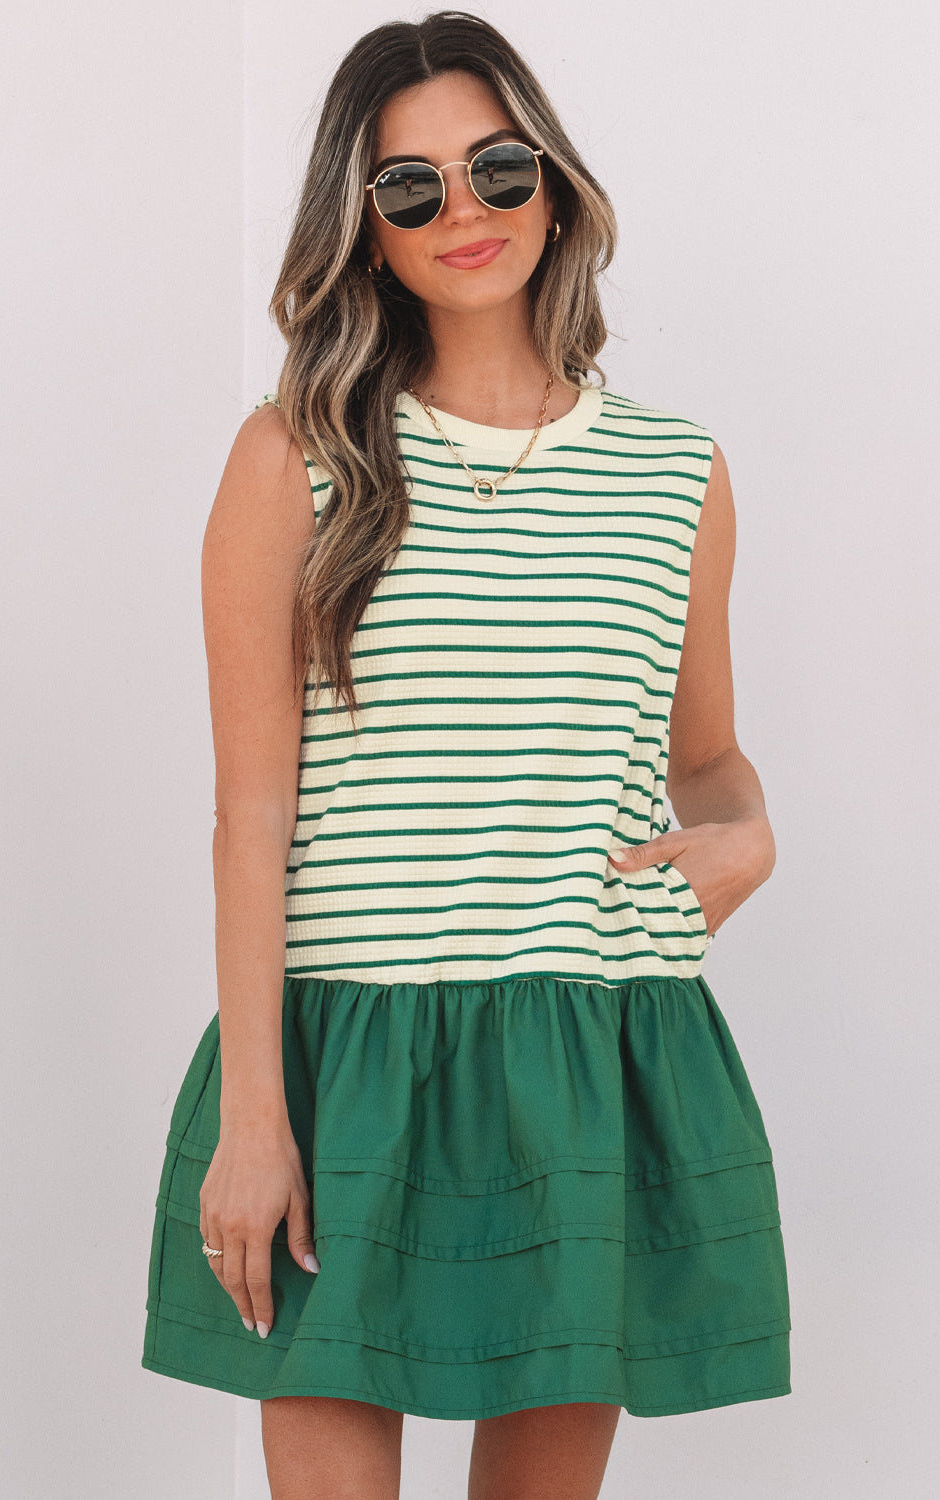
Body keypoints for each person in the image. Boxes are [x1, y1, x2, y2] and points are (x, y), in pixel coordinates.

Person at [141, 12, 792, 1498]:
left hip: (583, 1051)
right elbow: (249, 815)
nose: (463, 211)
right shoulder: (293, 455)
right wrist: (256, 1117)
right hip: (344, 1064)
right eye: (409, 187)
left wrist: (749, 840)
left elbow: (706, 762)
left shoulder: (674, 472)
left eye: (497, 167)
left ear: (552, 183)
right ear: (364, 231)